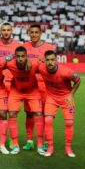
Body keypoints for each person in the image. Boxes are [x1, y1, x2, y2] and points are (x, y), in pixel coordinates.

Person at [39, 50, 80, 157]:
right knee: (47, 120)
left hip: (66, 98)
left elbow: (78, 80)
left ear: (56, 60)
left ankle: (68, 148)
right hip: (51, 98)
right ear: (45, 61)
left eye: (52, 60)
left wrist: (71, 94)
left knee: (69, 123)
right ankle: (50, 147)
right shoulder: (41, 68)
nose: (50, 62)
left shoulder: (66, 71)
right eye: (47, 60)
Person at [23, 23, 56, 151]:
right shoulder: (24, 47)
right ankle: (30, 140)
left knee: (44, 115)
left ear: (40, 33)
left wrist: (32, 64)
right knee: (29, 114)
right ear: (29, 34)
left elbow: (49, 65)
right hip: (30, 85)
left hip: (44, 86)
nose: (34, 35)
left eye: (36, 32)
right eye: (32, 32)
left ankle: (45, 141)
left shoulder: (48, 47)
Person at [0, 22, 22, 149]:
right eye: (4, 30)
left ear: (12, 31)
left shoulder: (18, 46)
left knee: (11, 113)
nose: (6, 32)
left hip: (13, 83)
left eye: (8, 30)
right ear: (0, 31)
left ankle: (10, 139)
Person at [7, 46, 44, 155]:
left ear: (26, 57)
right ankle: (15, 145)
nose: (20, 59)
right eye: (18, 56)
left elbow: (48, 68)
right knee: (12, 114)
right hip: (16, 91)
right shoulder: (10, 64)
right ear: (15, 57)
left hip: (32, 91)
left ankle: (40, 145)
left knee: (37, 113)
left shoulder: (35, 64)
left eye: (23, 56)